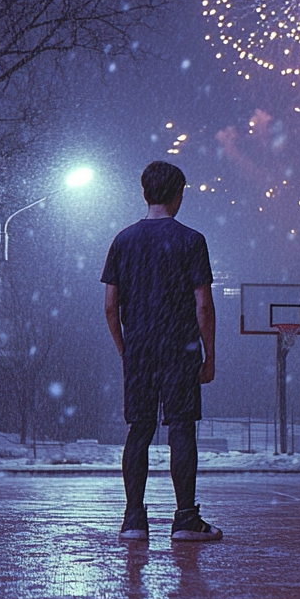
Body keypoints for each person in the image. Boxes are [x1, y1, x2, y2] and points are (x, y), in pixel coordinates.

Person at [102, 161, 223, 542]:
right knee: (181, 429)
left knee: (139, 429)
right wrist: (209, 354)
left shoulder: (123, 240)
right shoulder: (192, 240)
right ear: (178, 194)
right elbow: (203, 303)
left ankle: (134, 518)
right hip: (179, 347)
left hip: (139, 347)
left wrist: (126, 347)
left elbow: (109, 304)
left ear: (144, 193)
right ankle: (185, 517)